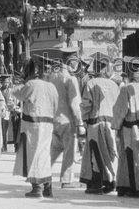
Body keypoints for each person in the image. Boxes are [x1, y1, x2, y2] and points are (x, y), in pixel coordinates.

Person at [12, 57, 59, 198]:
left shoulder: (31, 84)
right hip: (48, 123)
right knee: (45, 154)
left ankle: (37, 187)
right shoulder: (52, 86)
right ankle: (48, 187)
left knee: (34, 154)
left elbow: (16, 93)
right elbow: (56, 106)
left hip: (33, 124)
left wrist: (21, 82)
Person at [80, 52, 120, 194]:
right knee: (111, 152)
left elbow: (86, 104)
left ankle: (96, 184)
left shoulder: (91, 83)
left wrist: (84, 119)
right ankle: (112, 182)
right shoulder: (115, 85)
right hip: (111, 123)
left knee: (95, 152)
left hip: (95, 122)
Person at [112, 56, 139, 197]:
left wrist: (116, 126)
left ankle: (133, 188)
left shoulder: (126, 89)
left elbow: (121, 109)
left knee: (130, 157)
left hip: (130, 127)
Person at [48, 48, 85, 188]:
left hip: (53, 119)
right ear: (72, 60)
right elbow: (75, 104)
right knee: (69, 151)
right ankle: (66, 180)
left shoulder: (52, 76)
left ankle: (40, 174)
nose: (77, 64)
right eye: (76, 61)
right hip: (67, 120)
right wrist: (80, 123)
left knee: (54, 150)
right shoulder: (70, 78)